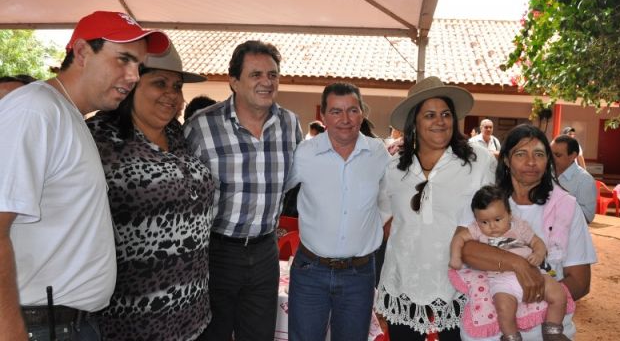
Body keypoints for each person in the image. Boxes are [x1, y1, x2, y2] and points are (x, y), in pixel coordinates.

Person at [0, 10, 169, 340]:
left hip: (67, 324)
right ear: (81, 52)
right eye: (123, 59)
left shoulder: (68, 114)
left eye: (139, 65)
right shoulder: (35, 109)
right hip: (38, 326)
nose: (134, 76)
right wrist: (9, 330)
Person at [86, 43, 214, 340]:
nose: (172, 94)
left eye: (177, 86)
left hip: (191, 311)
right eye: (160, 83)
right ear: (131, 84)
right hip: (131, 317)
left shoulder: (178, 134)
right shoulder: (98, 138)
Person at [184, 40, 303, 341]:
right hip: (216, 251)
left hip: (265, 251)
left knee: (259, 335)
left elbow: (293, 182)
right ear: (234, 81)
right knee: (212, 334)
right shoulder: (202, 126)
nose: (267, 82)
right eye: (256, 74)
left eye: (273, 74)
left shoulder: (290, 125)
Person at [375, 76, 495, 340]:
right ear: (414, 123)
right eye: (430, 115)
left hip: (461, 284)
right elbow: (383, 221)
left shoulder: (479, 162)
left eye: (446, 114)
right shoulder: (394, 168)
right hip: (405, 281)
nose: (440, 121)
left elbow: (497, 219)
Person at [459, 124, 596, 341]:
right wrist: (519, 266)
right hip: (489, 330)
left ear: (547, 160)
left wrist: (529, 302)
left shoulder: (566, 207)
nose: (531, 162)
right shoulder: (484, 202)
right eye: (521, 154)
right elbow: (465, 250)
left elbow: (580, 282)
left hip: (544, 330)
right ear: (506, 160)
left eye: (539, 154)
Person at [286, 82, 390, 341]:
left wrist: (373, 230)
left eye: (352, 110)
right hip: (310, 271)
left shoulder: (377, 153)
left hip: (359, 274)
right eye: (336, 111)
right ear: (323, 116)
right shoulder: (305, 153)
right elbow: (276, 189)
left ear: (362, 113)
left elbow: (390, 200)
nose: (345, 119)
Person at [449, 186, 568, 341]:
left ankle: (553, 331)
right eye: (484, 222)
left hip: (532, 272)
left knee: (558, 294)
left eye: (498, 219)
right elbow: (459, 238)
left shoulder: (519, 226)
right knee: (504, 309)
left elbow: (537, 242)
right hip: (502, 280)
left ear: (509, 214)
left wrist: (538, 254)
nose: (492, 226)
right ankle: (511, 337)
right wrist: (455, 257)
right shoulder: (476, 229)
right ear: (477, 221)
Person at [551, 135, 597, 223]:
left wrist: (561, 204)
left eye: (558, 155)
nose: (552, 158)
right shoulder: (544, 173)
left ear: (573, 156)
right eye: (550, 153)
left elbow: (587, 217)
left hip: (568, 230)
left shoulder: (584, 180)